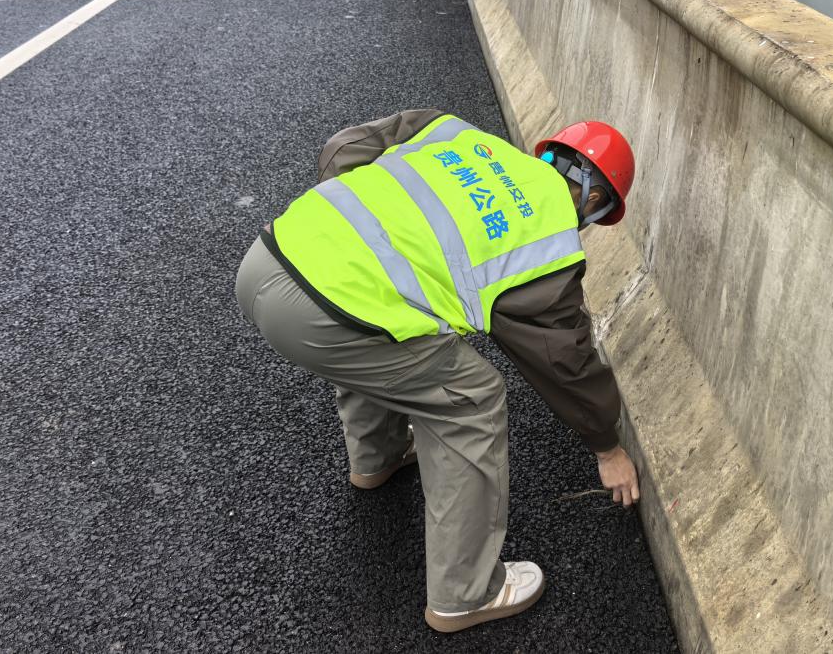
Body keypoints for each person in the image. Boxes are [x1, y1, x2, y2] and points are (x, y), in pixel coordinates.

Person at [235, 110, 639, 633]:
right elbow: (564, 359)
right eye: (598, 212)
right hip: (321, 320)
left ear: (550, 152)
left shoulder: (455, 133)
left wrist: (365, 241)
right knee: (473, 400)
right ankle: (466, 593)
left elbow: (342, 149)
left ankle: (378, 456)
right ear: (594, 198)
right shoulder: (547, 242)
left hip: (269, 255)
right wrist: (607, 447)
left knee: (396, 319)